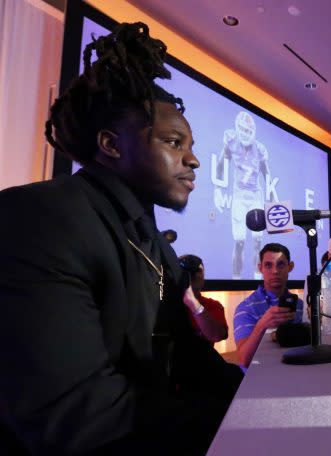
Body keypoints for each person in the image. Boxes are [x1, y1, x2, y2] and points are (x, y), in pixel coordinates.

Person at [0, 23, 243, 455]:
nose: (194, 159)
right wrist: (247, 427)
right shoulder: (39, 217)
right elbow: (79, 416)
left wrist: (263, 401)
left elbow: (194, 361)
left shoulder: (153, 242)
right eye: (174, 142)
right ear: (111, 145)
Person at [215, 111, 273, 279]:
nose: (245, 134)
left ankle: (258, 278)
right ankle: (236, 279)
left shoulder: (260, 149)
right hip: (239, 194)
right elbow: (220, 164)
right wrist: (218, 189)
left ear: (253, 131)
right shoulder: (231, 142)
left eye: (248, 131)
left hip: (255, 195)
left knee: (257, 241)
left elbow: (266, 174)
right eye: (242, 130)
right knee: (239, 241)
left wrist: (271, 197)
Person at [234, 243, 303, 367]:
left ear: (290, 267)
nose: (275, 271)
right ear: (260, 268)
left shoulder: (300, 305)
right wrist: (262, 325)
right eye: (268, 265)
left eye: (280, 264)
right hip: (259, 377)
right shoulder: (246, 308)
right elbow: (244, 360)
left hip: (295, 373)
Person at [179, 254, 229, 344]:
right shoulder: (164, 303)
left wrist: (193, 303)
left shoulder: (213, 305)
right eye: (187, 271)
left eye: (198, 270)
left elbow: (216, 335)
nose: (193, 274)